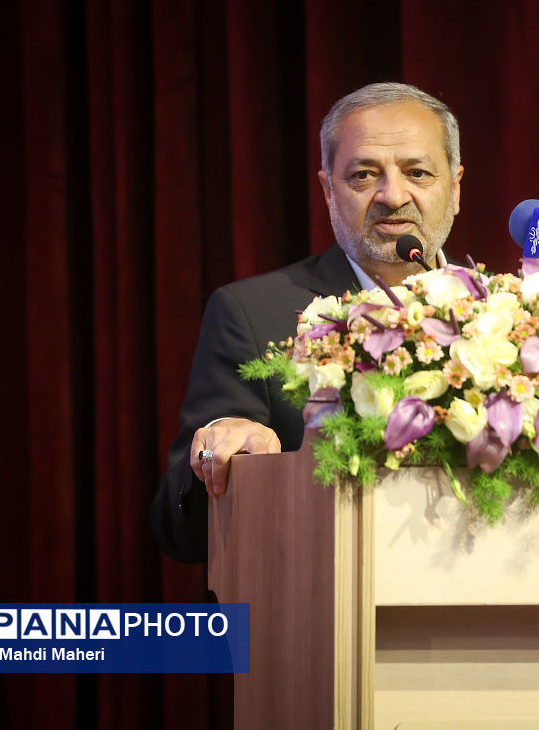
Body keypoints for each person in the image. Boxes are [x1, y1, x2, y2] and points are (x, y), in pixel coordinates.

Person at [151, 83, 464, 563]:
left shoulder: (518, 320)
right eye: (364, 175)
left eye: (417, 172)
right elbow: (182, 534)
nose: (392, 195)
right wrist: (217, 457)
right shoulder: (253, 314)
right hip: (323, 591)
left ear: (455, 187)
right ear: (327, 190)